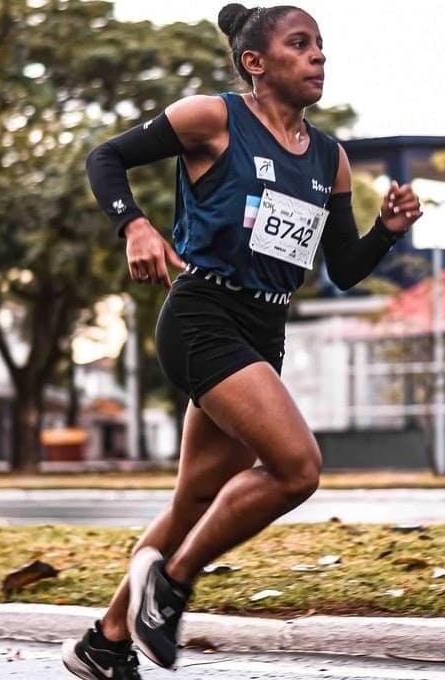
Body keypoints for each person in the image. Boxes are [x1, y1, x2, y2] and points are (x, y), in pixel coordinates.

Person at [63, 4, 423, 678]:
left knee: (195, 500)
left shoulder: (328, 158)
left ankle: (103, 644)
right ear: (255, 62)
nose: (317, 56)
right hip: (202, 313)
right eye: (299, 44)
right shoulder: (214, 119)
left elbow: (342, 269)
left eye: (320, 45)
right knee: (296, 468)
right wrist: (134, 227)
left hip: (264, 326)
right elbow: (105, 157)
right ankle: (168, 587)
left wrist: (387, 231)